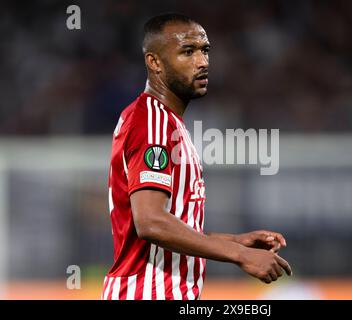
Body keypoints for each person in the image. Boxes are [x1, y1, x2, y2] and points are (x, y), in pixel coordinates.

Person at [102, 13, 292, 300]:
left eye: (205, 50)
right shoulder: (151, 123)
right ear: (154, 62)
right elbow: (150, 222)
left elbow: (167, 224)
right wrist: (239, 254)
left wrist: (235, 240)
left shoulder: (164, 122)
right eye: (187, 52)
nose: (202, 62)